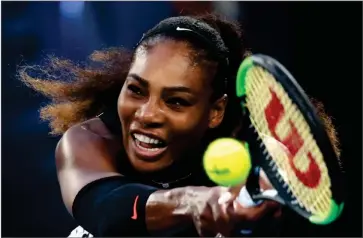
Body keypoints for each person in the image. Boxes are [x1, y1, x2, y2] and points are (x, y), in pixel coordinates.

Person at [20, 13, 341, 237]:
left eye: (176, 101)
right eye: (136, 89)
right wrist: (194, 203)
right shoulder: (89, 140)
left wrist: (251, 218)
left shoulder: (259, 158)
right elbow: (106, 211)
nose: (146, 114)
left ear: (216, 111)